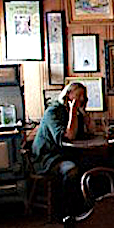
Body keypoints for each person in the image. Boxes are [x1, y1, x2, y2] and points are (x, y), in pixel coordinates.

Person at [31, 81, 96, 216]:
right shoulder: (53, 112)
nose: (82, 99)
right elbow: (69, 135)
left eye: (83, 96)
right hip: (48, 157)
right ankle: (67, 211)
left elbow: (91, 132)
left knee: (93, 164)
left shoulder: (76, 113)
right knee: (71, 170)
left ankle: (87, 206)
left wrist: (84, 114)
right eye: (78, 96)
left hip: (67, 154)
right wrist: (73, 111)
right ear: (68, 95)